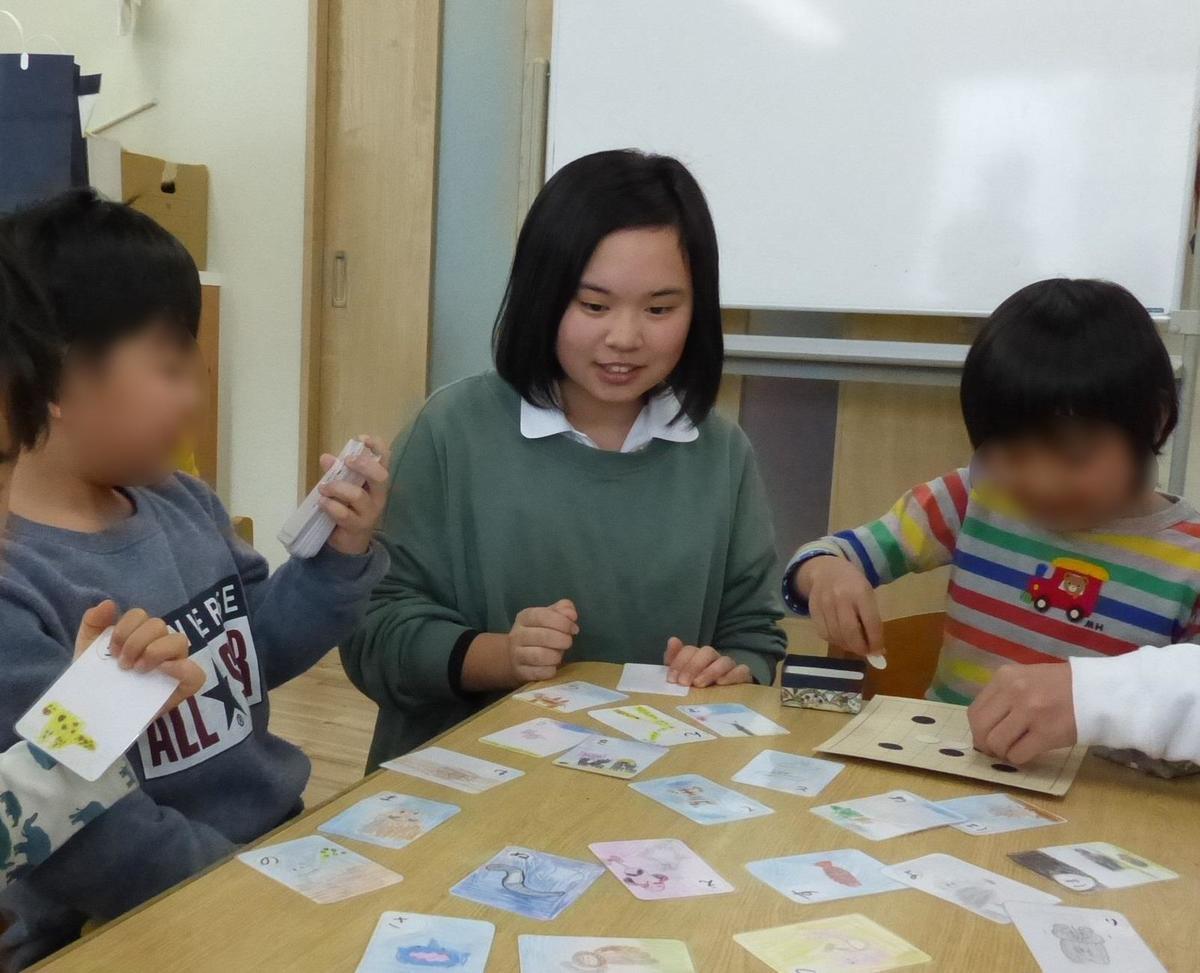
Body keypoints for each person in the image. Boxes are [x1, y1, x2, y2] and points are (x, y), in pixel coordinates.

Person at [0, 190, 390, 969]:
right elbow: (91, 841)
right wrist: (252, 895)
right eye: (170, 367)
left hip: (268, 853)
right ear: (60, 381)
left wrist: (337, 557)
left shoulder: (181, 501)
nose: (193, 398)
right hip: (131, 917)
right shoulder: (19, 581)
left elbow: (257, 648)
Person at [343, 149, 786, 768]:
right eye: (594, 306)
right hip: (459, 798)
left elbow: (756, 637)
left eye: (660, 309)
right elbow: (374, 637)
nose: (625, 338)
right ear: (542, 296)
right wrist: (500, 656)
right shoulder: (452, 430)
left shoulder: (720, 451)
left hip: (654, 796)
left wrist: (730, 670)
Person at [786, 277, 1200, 774]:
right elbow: (826, 555)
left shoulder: (1190, 557)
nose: (1042, 482)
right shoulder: (973, 499)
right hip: (949, 773)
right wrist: (828, 573)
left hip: (1100, 801)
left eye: (1073, 455)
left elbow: (1184, 741)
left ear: (1153, 421)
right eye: (1014, 454)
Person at [0, 239, 205, 887]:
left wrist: (90, 711)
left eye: (1, 464)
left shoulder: (180, 504)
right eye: (164, 366)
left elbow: (13, 822)